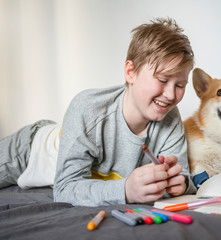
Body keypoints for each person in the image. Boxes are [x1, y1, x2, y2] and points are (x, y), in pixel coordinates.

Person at [0, 17, 197, 206]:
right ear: (131, 72)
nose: (171, 95)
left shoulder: (170, 119)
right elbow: (65, 188)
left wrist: (179, 184)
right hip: (29, 153)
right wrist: (125, 190)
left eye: (180, 85)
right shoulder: (88, 108)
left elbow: (183, 176)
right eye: (162, 80)